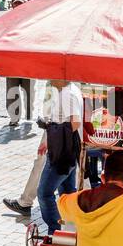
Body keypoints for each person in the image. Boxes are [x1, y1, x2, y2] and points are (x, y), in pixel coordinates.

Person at [36, 79, 83, 234]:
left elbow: (75, 123)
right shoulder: (65, 90)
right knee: (68, 193)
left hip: (63, 149)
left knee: (44, 193)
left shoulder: (68, 94)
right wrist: (49, 140)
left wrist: (53, 133)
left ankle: (56, 231)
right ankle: (70, 231)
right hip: (65, 146)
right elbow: (62, 120)